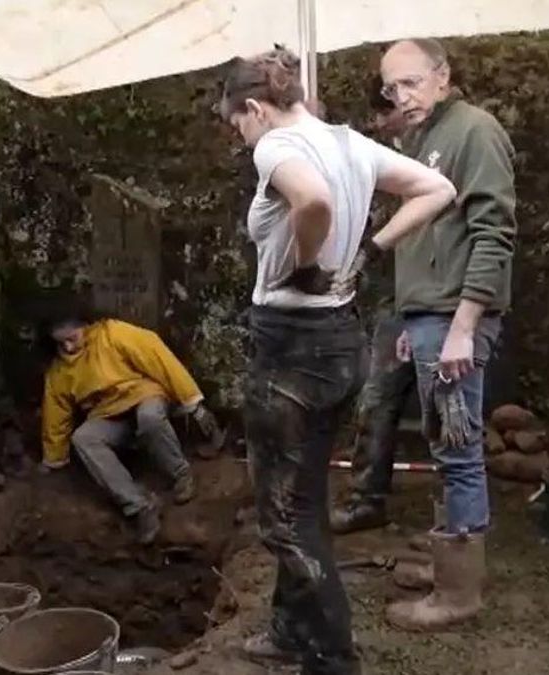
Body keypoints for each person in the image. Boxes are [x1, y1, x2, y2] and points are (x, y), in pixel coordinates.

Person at [218, 47, 456, 675]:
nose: (240, 139)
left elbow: (314, 202)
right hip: (340, 339)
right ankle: (290, 629)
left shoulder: (276, 146)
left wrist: (304, 264)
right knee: (304, 500)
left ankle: (332, 659)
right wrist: (369, 250)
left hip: (289, 343)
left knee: (284, 520)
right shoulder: (350, 142)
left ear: (253, 108)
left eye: (236, 124)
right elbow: (436, 188)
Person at [376, 38, 517, 631]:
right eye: (391, 88)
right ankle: (446, 560)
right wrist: (417, 319)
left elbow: (494, 233)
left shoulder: (474, 132)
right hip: (430, 318)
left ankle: (458, 593)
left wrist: (461, 327)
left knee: (459, 454)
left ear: (442, 77)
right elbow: (428, 241)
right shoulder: (422, 141)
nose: (401, 97)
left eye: (410, 83)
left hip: (457, 320)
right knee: (443, 444)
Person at [38, 306, 224, 545]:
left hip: (144, 397)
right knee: (84, 438)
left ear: (85, 326)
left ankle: (180, 474)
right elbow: (56, 413)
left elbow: (159, 358)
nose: (68, 348)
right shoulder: (60, 369)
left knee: (150, 418)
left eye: (71, 339)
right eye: (60, 343)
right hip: (108, 415)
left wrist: (192, 402)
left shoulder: (113, 334)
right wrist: (54, 458)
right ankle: (139, 505)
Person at [330, 77, 421, 535]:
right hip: (399, 298)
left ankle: (457, 524)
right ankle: (367, 499)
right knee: (377, 398)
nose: (379, 125)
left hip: (436, 300)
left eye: (383, 115)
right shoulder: (388, 157)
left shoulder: (441, 152)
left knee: (445, 411)